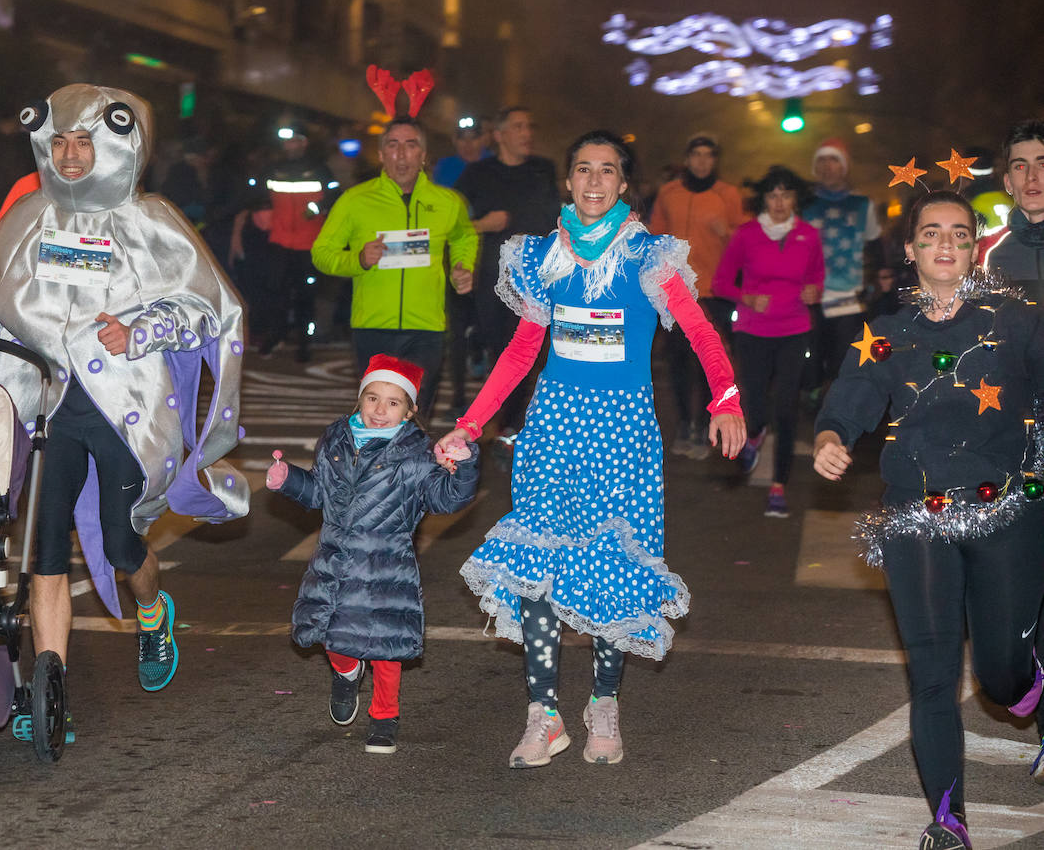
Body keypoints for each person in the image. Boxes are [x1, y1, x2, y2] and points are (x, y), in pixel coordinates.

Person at [437, 130, 744, 768]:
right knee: (537, 563)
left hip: (625, 430)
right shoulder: (542, 256)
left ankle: (604, 704)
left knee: (618, 569)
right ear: (569, 180)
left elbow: (701, 332)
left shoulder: (647, 256)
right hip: (553, 427)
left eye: (607, 171)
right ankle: (542, 715)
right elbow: (523, 352)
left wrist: (726, 399)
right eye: (583, 169)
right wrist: (469, 425)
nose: (594, 181)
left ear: (625, 185)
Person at [0, 84, 247, 715]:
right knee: (45, 547)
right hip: (47, 405)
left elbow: (209, 311)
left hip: (126, 409)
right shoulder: (29, 215)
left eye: (85, 141)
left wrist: (142, 331)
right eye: (60, 142)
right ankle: (46, 686)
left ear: (120, 143)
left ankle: (151, 607)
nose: (71, 156)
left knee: (120, 543)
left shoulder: (154, 219)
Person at [813, 190, 1044, 850]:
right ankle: (947, 822)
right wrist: (832, 437)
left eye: (961, 234)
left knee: (1000, 677)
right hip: (916, 518)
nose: (947, 243)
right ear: (910, 249)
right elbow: (851, 397)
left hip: (1006, 512)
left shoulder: (1018, 322)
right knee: (934, 673)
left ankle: (1026, 679)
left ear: (974, 249)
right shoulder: (887, 334)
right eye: (932, 233)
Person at [268, 354, 477, 753]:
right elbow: (319, 494)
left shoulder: (417, 455)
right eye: (372, 398)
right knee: (330, 633)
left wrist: (464, 468)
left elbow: (446, 498)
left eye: (393, 402)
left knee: (386, 647)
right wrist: (289, 480)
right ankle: (346, 673)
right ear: (359, 399)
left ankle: (384, 716)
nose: (380, 410)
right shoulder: (335, 440)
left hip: (386, 565)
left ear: (411, 410)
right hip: (334, 559)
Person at [311, 116, 478, 417]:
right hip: (372, 326)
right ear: (381, 154)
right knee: (379, 415)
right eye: (393, 145)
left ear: (424, 155)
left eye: (410, 145)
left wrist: (462, 266)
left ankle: (411, 465)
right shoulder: (355, 200)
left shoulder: (447, 202)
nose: (401, 154)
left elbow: (464, 235)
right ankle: (378, 465)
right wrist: (358, 259)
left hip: (426, 328)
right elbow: (321, 253)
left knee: (415, 413)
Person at [713, 165, 824, 518]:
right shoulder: (746, 234)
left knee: (787, 406)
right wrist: (746, 297)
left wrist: (814, 291)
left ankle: (779, 485)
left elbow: (817, 277)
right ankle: (756, 433)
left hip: (794, 329)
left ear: (796, 199)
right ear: (763, 199)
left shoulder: (809, 235)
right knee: (757, 406)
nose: (779, 202)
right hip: (753, 330)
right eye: (773, 195)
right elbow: (720, 284)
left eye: (786, 195)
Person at [453, 106, 559, 435]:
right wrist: (484, 224)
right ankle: (503, 423)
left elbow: (558, 220)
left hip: (537, 280)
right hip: (492, 281)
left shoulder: (544, 170)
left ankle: (510, 428)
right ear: (498, 135)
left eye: (529, 126)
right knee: (503, 355)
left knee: (529, 357)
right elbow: (452, 226)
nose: (527, 134)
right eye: (518, 127)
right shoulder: (477, 174)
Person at [649, 135, 746, 458]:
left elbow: (745, 242)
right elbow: (654, 236)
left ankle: (708, 424)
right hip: (674, 290)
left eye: (708, 156)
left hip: (714, 290)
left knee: (709, 362)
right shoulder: (669, 193)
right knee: (677, 361)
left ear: (714, 161)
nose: (702, 161)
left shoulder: (728, 194)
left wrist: (727, 234)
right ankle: (685, 423)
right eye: (697, 155)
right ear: (687, 159)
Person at [801, 138, 881, 399]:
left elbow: (875, 246)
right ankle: (811, 398)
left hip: (847, 297)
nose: (827, 167)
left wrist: (875, 284)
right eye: (822, 161)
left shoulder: (862, 204)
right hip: (810, 296)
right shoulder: (803, 205)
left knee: (842, 359)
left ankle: (838, 406)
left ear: (844, 166)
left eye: (834, 160)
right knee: (811, 359)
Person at [256, 124, 338, 361]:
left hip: (308, 243)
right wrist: (261, 211)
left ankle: (304, 342)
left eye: (295, 141)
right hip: (279, 241)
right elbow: (257, 194)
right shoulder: (274, 169)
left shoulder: (319, 169)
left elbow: (335, 195)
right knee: (276, 292)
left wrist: (316, 208)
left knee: (306, 295)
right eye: (286, 142)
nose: (290, 146)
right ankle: (276, 335)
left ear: (304, 143)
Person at [979, 120, 1044, 303]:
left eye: (1042, 164)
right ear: (1008, 182)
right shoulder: (997, 258)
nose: (1031, 177)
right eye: (1020, 167)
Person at [431, 116, 488, 188]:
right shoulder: (445, 167)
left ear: (482, 140)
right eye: (462, 138)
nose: (468, 144)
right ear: (454, 140)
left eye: (473, 138)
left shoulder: (494, 166)